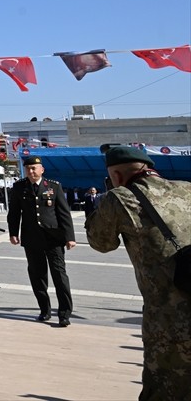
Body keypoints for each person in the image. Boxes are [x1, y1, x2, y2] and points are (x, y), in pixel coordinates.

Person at [86, 145, 191, 400]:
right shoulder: (187, 189)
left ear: (117, 176)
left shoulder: (120, 197)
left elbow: (101, 242)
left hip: (167, 319)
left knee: (164, 387)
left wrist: (103, 204)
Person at [7, 155, 76, 326]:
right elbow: (14, 213)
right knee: (37, 276)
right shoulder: (19, 187)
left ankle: (64, 313)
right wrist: (13, 233)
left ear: (42, 170)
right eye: (28, 169)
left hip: (54, 238)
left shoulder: (53, 186)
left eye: (34, 168)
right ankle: (44, 309)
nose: (31, 171)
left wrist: (70, 237)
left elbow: (64, 214)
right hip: (32, 239)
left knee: (59, 275)